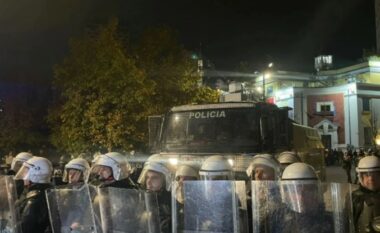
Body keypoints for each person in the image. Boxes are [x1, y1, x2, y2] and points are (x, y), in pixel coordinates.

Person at [280, 162, 334, 233]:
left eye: (308, 191)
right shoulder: (277, 220)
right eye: (294, 191)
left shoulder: (331, 222)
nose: (301, 198)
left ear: (316, 193)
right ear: (285, 194)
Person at [15, 156, 53, 233]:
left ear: (36, 172)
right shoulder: (46, 191)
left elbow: (24, 228)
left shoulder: (33, 200)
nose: (23, 174)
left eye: (26, 170)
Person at [138, 158, 173, 233]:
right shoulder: (142, 198)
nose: (149, 182)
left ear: (165, 180)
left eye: (154, 178)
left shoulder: (169, 204)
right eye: (147, 177)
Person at [351, 155, 380, 233]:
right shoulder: (355, 198)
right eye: (366, 175)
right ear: (360, 177)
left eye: (375, 174)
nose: (371, 178)